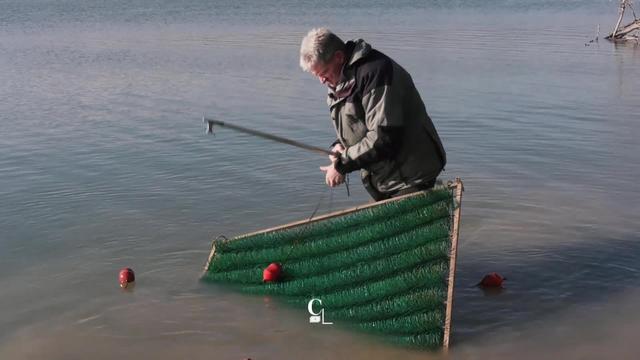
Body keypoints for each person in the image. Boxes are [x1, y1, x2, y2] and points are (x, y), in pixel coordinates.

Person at [299, 28, 447, 201]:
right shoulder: (340, 79)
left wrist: (342, 165)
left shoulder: (376, 73)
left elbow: (383, 137)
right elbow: (361, 123)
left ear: (339, 57)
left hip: (411, 176)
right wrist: (340, 146)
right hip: (386, 178)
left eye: (324, 73)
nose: (322, 81)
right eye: (317, 76)